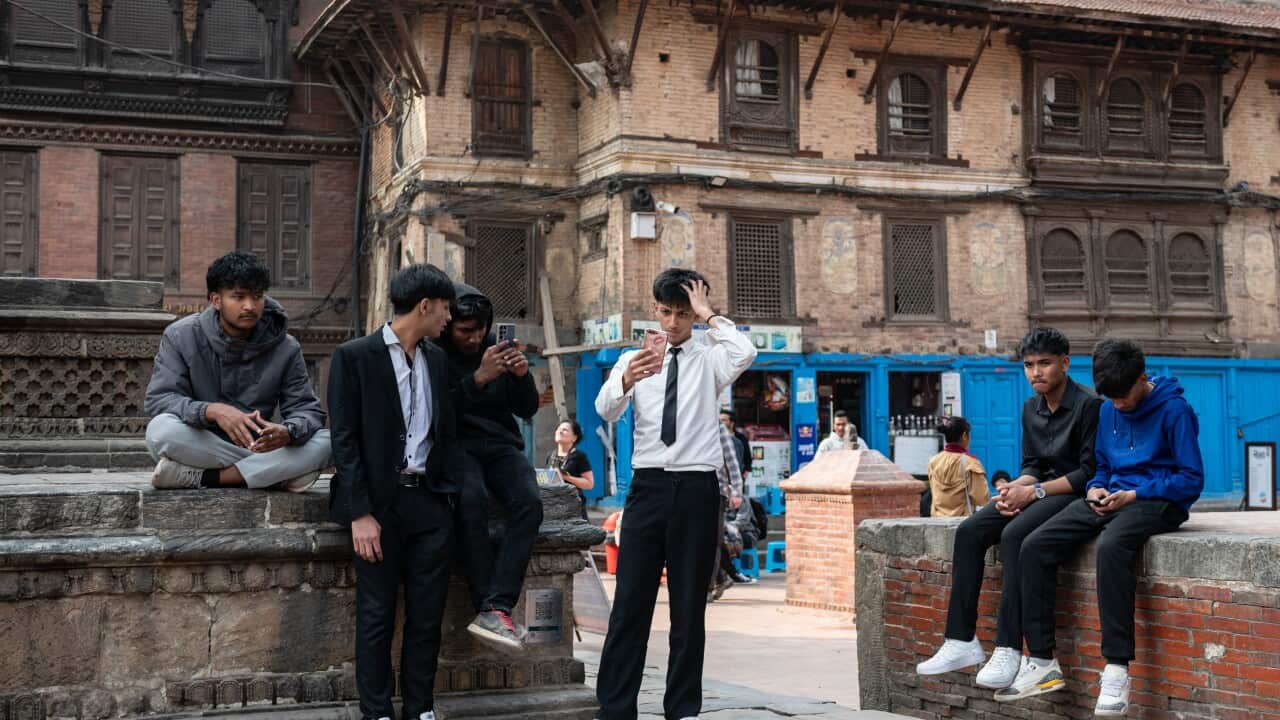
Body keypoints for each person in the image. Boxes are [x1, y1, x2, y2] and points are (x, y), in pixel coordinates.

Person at [998, 339, 1203, 713]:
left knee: (1111, 547)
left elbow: (1191, 479)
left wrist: (1136, 494)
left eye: (1125, 397)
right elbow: (1103, 466)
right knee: (1035, 544)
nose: (1120, 405)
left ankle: (1116, 669)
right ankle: (1042, 660)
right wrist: (1096, 487)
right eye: (1113, 399)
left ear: (1143, 378)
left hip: (1158, 502)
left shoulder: (1175, 411)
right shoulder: (1108, 409)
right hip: (1110, 497)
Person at [594, 269, 756, 720]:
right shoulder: (634, 357)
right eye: (665, 312)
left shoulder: (710, 355)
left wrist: (710, 316)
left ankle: (682, 708)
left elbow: (746, 350)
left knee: (688, 608)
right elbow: (605, 409)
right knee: (630, 604)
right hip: (647, 486)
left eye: (682, 314)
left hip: (696, 489)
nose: (672, 323)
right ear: (655, 309)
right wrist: (626, 378)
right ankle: (615, 708)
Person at [917, 328, 1101, 691]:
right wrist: (1013, 487)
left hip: (1071, 493)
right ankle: (960, 640)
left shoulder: (1088, 405)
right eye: (1029, 365)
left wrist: (1032, 492)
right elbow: (1032, 463)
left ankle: (1009, 648)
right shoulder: (1029, 407)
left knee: (1015, 535)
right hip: (1037, 489)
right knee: (970, 530)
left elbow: (1088, 473)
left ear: (1065, 363)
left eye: (1045, 364)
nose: (1036, 372)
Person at [327, 264, 459, 720]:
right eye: (445, 308)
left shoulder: (437, 359)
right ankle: (377, 711)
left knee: (427, 616)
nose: (449, 318)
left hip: (430, 503)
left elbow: (447, 433)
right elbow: (343, 440)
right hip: (379, 508)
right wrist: (360, 512)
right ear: (424, 306)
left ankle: (421, 709)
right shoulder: (354, 356)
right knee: (377, 615)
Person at [145, 251, 329, 491]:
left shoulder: (286, 347)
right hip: (202, 443)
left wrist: (289, 431)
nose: (250, 306)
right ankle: (278, 474)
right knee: (160, 431)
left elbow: (307, 410)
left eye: (257, 297)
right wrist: (212, 411)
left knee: (330, 442)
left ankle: (206, 478)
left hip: (261, 445)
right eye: (239, 297)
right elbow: (160, 400)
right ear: (216, 300)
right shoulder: (181, 336)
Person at [435, 283, 543, 650]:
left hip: (500, 445)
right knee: (471, 501)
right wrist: (477, 379)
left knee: (529, 502)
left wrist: (520, 375)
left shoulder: (494, 350)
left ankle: (498, 605)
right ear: (449, 325)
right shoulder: (434, 355)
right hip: (457, 446)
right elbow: (437, 416)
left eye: (480, 329)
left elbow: (526, 408)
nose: (474, 337)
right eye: (466, 330)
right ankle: (487, 605)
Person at [708, 422, 746, 602]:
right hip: (690, 489)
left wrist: (737, 491)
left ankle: (708, 587)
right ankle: (721, 578)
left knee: (712, 540)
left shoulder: (717, 426)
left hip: (717, 490)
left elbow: (731, 461)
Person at [926, 416, 990, 517]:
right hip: (962, 521)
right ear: (965, 435)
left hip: (937, 519)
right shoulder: (971, 463)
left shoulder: (933, 461)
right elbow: (982, 499)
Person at [548, 419, 594, 519]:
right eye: (558, 429)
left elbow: (589, 484)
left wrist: (567, 477)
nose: (559, 431)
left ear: (574, 437)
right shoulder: (551, 455)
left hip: (573, 506)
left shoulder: (579, 456)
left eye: (565, 430)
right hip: (553, 504)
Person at [719, 410, 753, 483]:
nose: (720, 422)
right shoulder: (715, 438)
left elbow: (747, 458)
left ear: (732, 423)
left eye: (724, 420)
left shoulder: (740, 438)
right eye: (719, 420)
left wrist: (744, 475)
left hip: (736, 478)